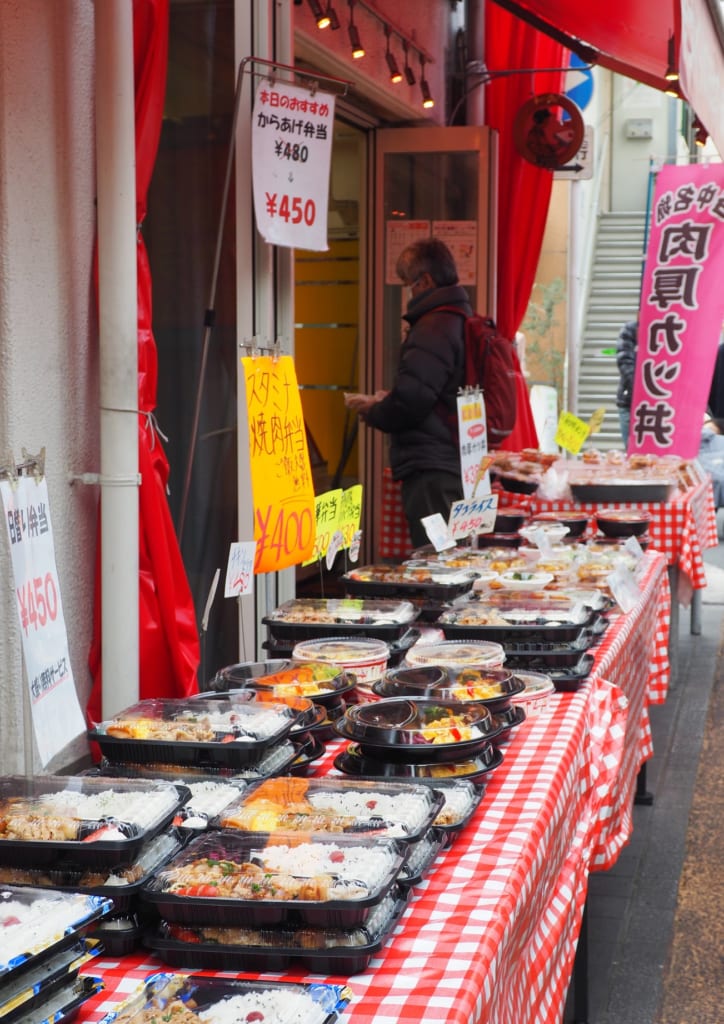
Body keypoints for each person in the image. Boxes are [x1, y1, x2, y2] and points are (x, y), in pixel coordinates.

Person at [344, 237, 469, 549]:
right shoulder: (458, 318)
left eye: (408, 284)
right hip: (454, 459)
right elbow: (430, 392)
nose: (408, 293)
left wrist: (373, 411)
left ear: (425, 281)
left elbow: (412, 401)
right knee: (453, 560)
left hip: (432, 468)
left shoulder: (434, 327)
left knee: (438, 566)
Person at [615, 319, 638, 444]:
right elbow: (624, 361)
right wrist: (644, 391)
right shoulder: (632, 329)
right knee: (633, 455)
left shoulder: (674, 330)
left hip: (664, 408)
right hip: (630, 404)